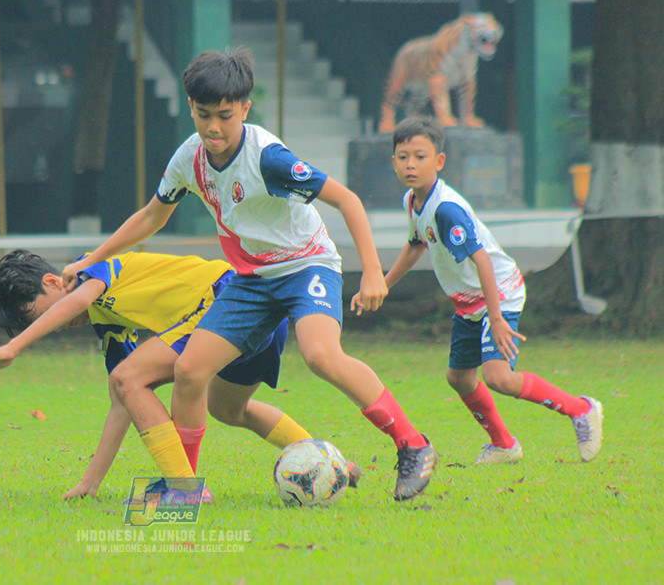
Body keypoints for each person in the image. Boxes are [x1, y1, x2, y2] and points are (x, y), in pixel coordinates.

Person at [62, 48, 436, 502]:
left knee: (321, 355)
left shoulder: (269, 159)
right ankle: (185, 489)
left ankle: (413, 445)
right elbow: (151, 216)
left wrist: (373, 271)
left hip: (306, 266)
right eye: (203, 115)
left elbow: (348, 201)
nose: (213, 127)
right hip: (251, 281)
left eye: (224, 115)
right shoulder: (189, 158)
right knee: (189, 370)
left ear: (244, 108)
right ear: (191, 107)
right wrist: (91, 259)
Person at [0, 249, 359, 499]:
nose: (57, 326)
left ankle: (185, 489)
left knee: (129, 377)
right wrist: (90, 484)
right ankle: (330, 463)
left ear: (53, 282)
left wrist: (13, 347)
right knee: (229, 410)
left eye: (45, 317)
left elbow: (79, 300)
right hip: (258, 316)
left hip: (230, 301)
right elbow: (122, 403)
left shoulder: (92, 270)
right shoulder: (109, 323)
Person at [378, 116, 603, 464]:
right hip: (469, 302)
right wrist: (382, 285)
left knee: (498, 377)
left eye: (420, 156)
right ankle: (504, 445)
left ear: (439, 161)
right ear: (393, 161)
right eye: (403, 156)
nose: (410, 164)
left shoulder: (447, 209)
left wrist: (496, 318)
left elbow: (482, 262)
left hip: (498, 294)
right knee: (460, 378)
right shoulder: (413, 200)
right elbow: (415, 244)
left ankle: (581, 409)